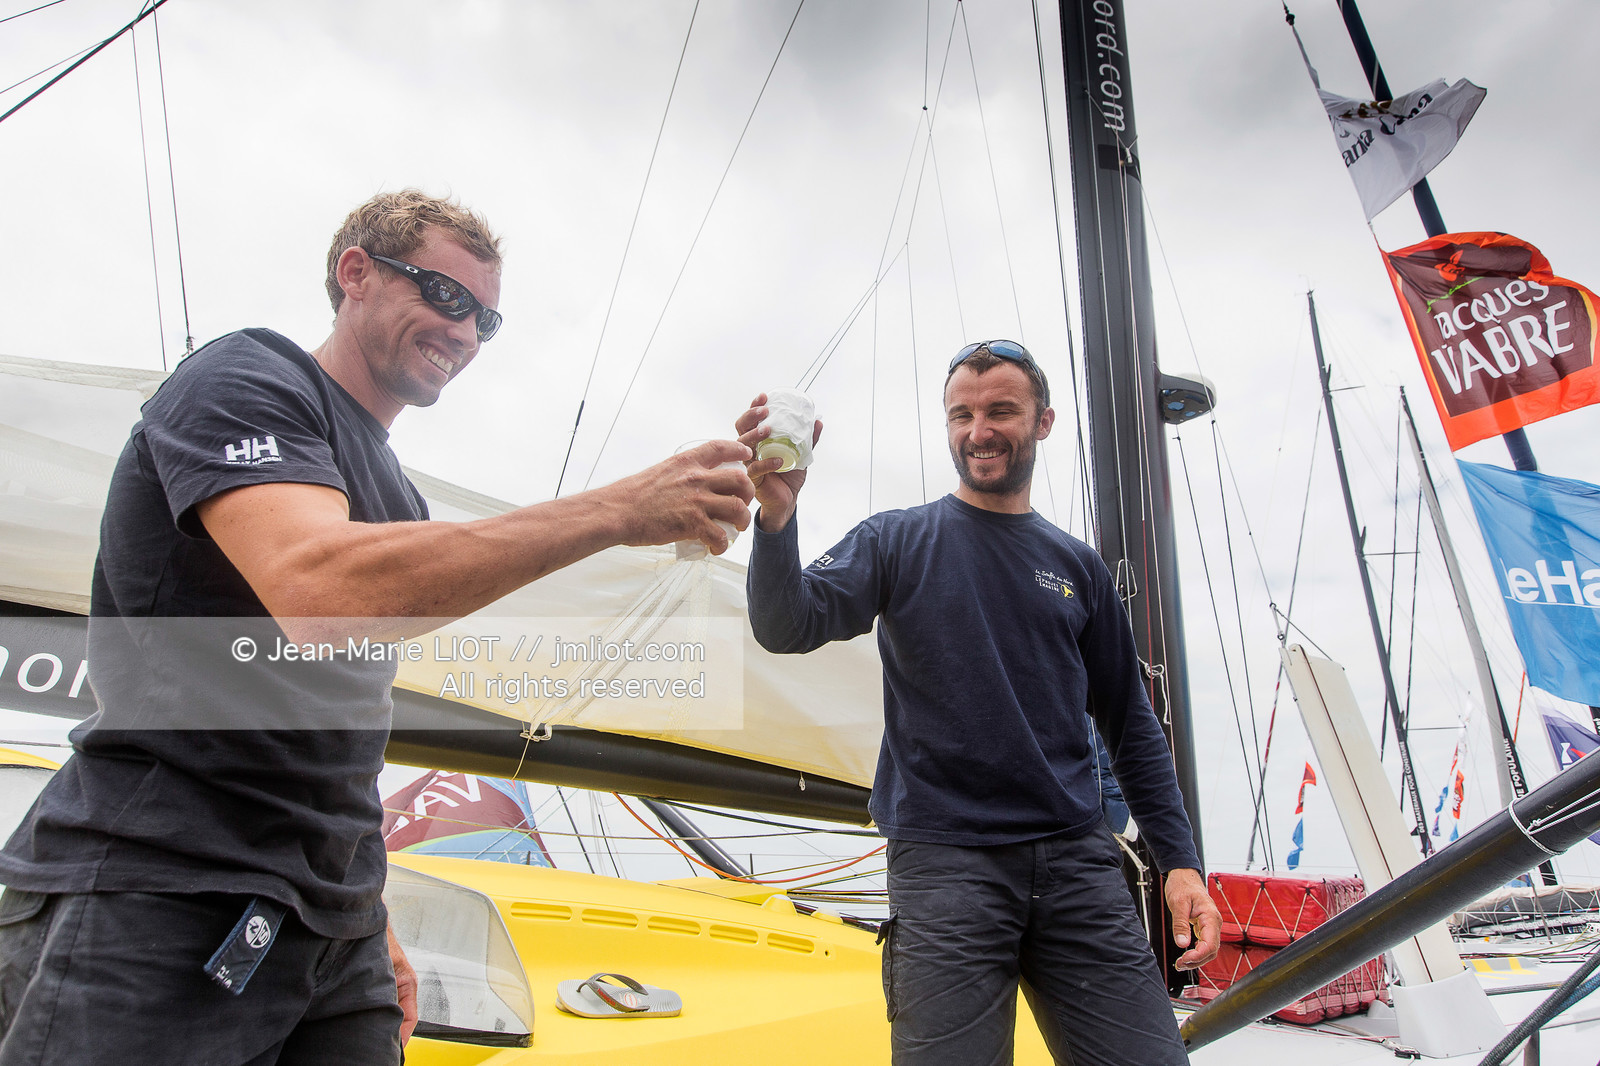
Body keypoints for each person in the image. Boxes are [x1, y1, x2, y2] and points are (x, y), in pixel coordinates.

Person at [0, 190, 755, 1065]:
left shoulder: (397, 498)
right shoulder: (249, 378)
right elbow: (320, 596)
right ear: (354, 272)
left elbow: (341, 721)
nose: (465, 332)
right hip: (166, 884)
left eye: (486, 318)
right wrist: (618, 509)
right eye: (444, 295)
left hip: (335, 920)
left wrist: (368, 909)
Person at [737, 340, 1220, 1066]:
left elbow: (1131, 725)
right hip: (946, 868)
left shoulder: (1077, 567)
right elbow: (786, 626)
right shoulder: (896, 541)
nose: (978, 430)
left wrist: (1180, 863)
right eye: (961, 414)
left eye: (1001, 411)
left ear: (1044, 422)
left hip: (1076, 866)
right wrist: (777, 518)